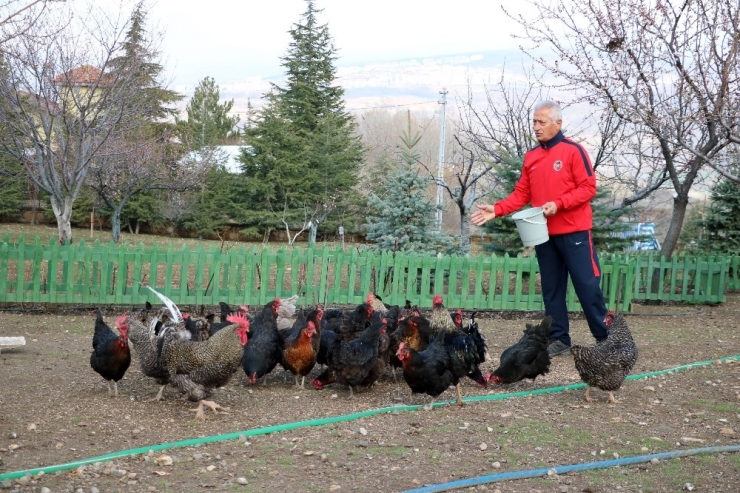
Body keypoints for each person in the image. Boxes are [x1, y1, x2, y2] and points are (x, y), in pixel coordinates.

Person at [470, 100, 608, 357]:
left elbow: (588, 188)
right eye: (534, 121)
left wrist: (559, 204)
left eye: (541, 122)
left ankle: (606, 338)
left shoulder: (572, 151)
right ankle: (559, 339)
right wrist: (497, 209)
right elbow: (522, 193)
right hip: (545, 235)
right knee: (551, 289)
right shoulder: (532, 157)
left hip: (575, 233)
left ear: (558, 123)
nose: (536, 126)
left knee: (587, 287)